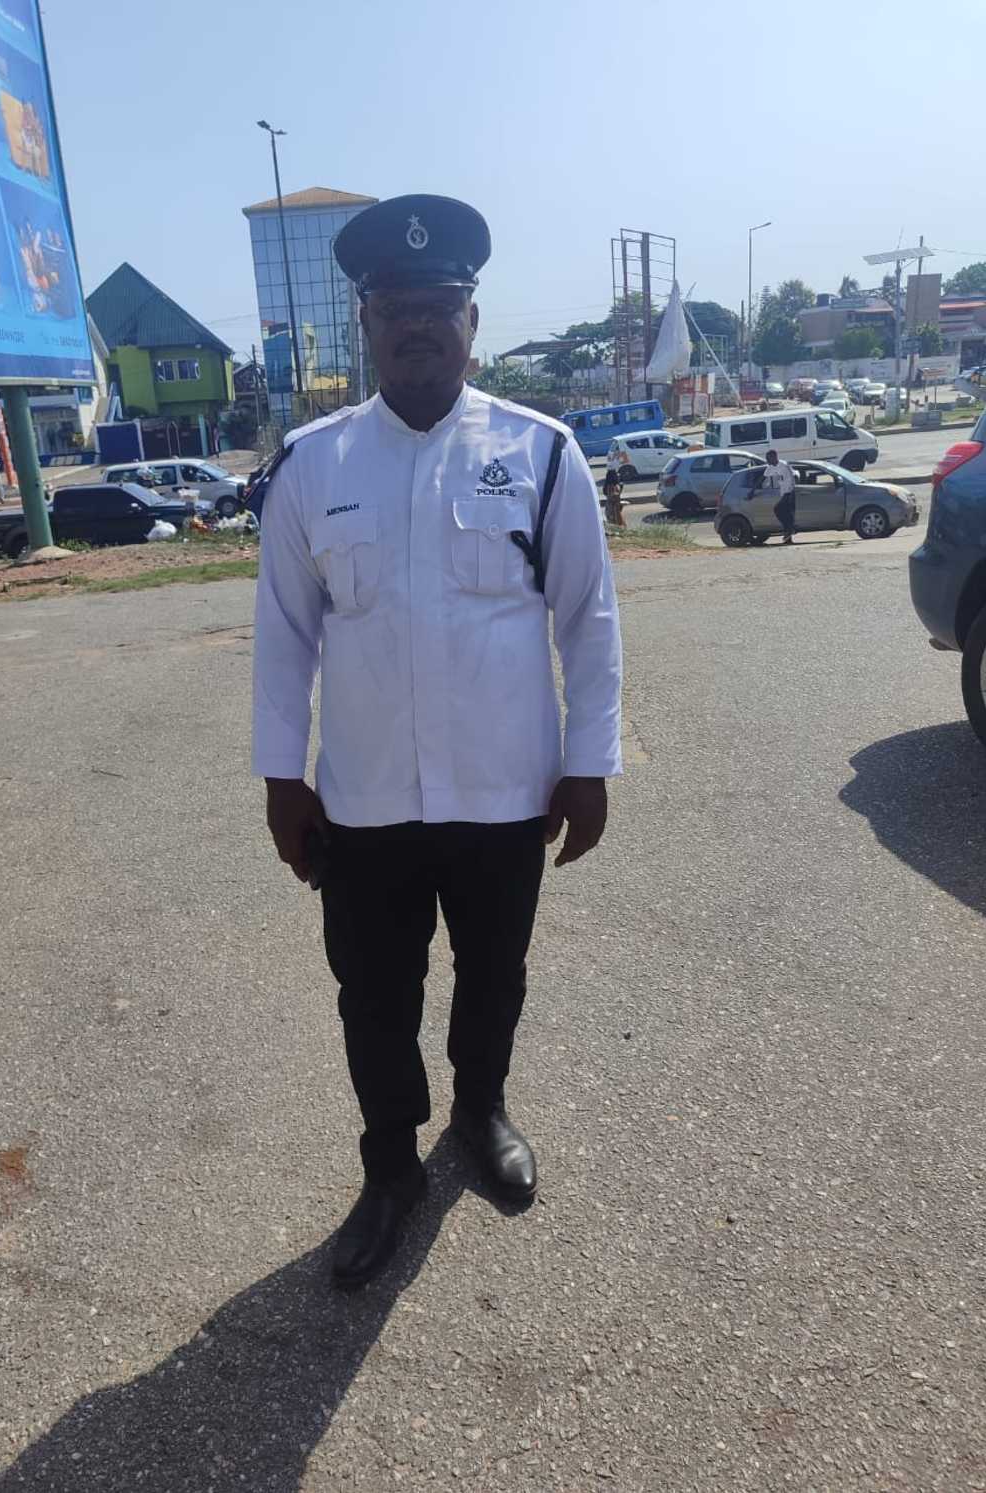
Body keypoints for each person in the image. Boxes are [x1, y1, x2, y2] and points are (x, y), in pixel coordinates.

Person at [253, 195, 622, 1289]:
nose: (418, 325)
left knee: (493, 975)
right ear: (363, 320)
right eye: (395, 307)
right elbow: (282, 630)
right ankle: (389, 1167)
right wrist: (282, 774)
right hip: (361, 803)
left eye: (440, 306)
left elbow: (588, 616)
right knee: (371, 994)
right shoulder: (314, 464)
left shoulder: (541, 452)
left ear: (473, 318)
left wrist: (589, 760)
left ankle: (480, 1110)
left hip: (505, 791)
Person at [761, 448, 796, 544]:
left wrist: (788, 494)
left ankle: (789, 530)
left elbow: (791, 480)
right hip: (783, 493)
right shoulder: (770, 467)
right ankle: (788, 536)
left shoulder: (784, 466)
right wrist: (752, 490)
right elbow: (762, 478)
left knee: (778, 509)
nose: (767, 460)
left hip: (790, 493)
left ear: (774, 457)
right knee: (786, 514)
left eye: (768, 458)